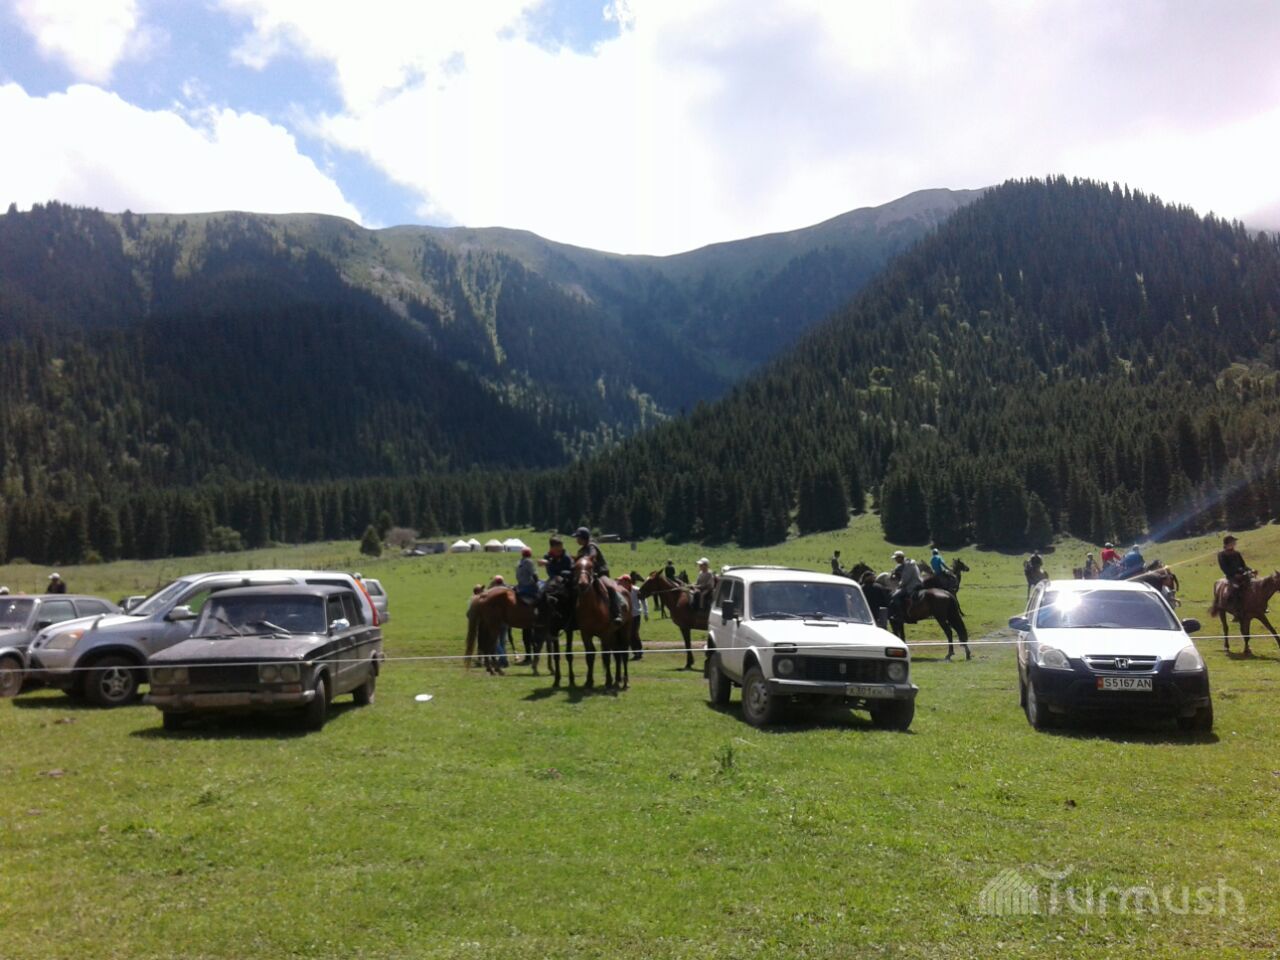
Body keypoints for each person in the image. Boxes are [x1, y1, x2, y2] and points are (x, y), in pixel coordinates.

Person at [574, 527, 622, 624]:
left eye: (578, 537)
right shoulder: (580, 551)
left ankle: (617, 613)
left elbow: (593, 556)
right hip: (587, 575)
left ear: (584, 538)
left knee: (610, 587)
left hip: (600, 573)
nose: (577, 540)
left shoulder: (592, 547)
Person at [1218, 534, 1253, 613]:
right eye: (1233, 542)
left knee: (1254, 583)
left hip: (1242, 574)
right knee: (1235, 588)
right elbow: (1224, 568)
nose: (1235, 543)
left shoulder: (1237, 553)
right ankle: (1234, 607)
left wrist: (1251, 570)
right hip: (1231, 576)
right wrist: (1234, 574)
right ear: (1228, 543)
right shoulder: (1222, 554)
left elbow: (1243, 565)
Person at [888, 550, 923, 623]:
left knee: (895, 596)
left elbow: (905, 579)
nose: (895, 560)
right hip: (911, 584)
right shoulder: (904, 564)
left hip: (912, 585)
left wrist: (899, 586)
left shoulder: (908, 565)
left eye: (896, 558)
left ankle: (900, 615)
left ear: (901, 558)